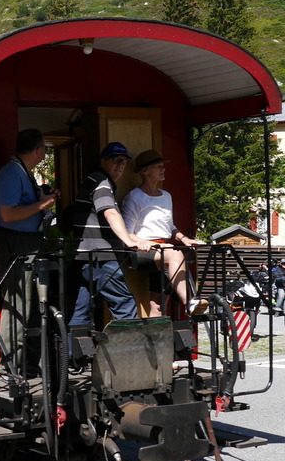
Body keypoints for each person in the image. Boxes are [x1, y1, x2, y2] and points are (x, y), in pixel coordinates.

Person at [0, 129, 59, 374]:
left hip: (28, 242)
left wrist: (41, 198)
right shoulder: (11, 173)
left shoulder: (22, 172)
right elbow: (8, 214)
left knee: (29, 305)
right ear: (39, 150)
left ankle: (27, 364)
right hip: (18, 243)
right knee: (17, 303)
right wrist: (43, 204)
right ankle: (10, 368)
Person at [69, 142, 154, 331]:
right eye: (115, 160)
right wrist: (129, 241)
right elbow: (110, 213)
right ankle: (133, 355)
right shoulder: (101, 182)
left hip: (88, 257)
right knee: (125, 306)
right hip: (102, 256)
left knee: (83, 311)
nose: (120, 165)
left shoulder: (95, 180)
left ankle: (73, 357)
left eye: (123, 161)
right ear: (103, 161)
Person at [121, 149, 204, 316]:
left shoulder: (166, 196)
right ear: (144, 171)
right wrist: (150, 244)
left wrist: (184, 238)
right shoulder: (134, 197)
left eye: (162, 167)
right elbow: (127, 233)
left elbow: (170, 226)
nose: (163, 170)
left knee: (158, 304)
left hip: (163, 249)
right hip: (142, 251)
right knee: (174, 255)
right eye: (158, 167)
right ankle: (190, 302)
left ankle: (157, 340)